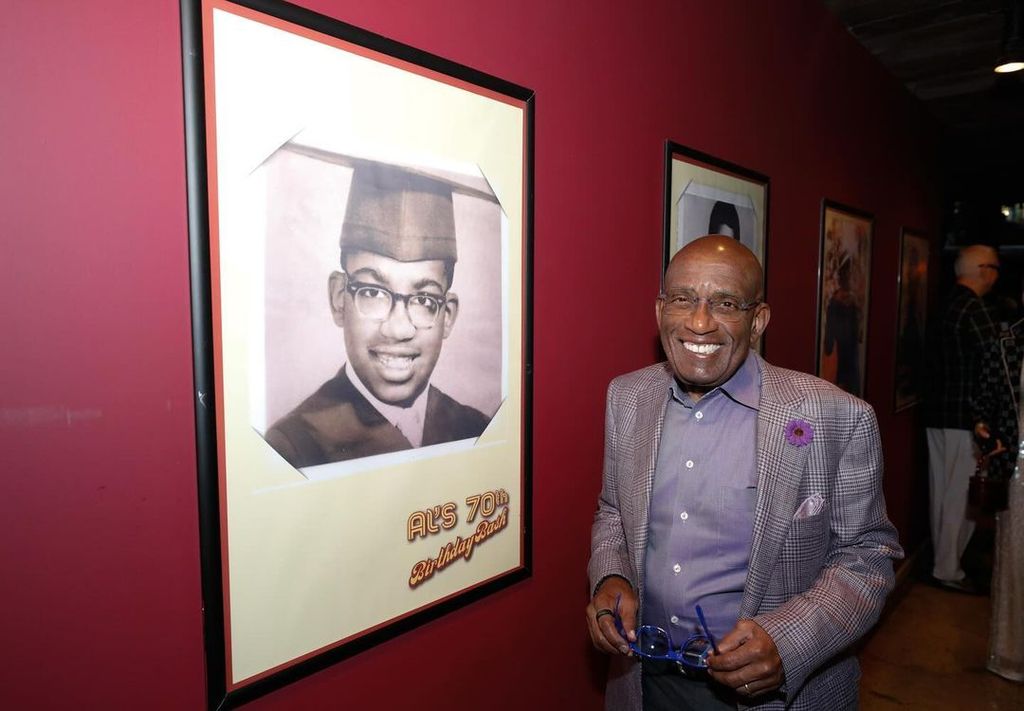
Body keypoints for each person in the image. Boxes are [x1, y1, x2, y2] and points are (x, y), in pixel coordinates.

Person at [586, 235, 903, 710]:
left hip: (771, 697)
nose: (699, 322)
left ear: (758, 321)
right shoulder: (627, 398)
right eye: (683, 299)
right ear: (659, 311)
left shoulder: (836, 415)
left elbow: (869, 556)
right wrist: (611, 575)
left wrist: (787, 642)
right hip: (644, 682)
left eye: (726, 303)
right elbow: (613, 509)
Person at [265, 161, 491, 468]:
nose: (398, 329)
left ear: (447, 315)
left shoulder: (476, 430)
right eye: (372, 293)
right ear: (338, 299)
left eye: (424, 299)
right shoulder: (291, 450)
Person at [924, 244, 1000, 592]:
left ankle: (945, 563)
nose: (996, 275)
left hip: (937, 410)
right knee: (959, 496)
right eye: (995, 267)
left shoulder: (945, 304)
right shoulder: (975, 309)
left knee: (942, 492)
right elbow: (992, 365)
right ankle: (949, 569)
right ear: (982, 270)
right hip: (966, 416)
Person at [822, 255, 862, 396]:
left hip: (851, 352)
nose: (851, 279)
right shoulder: (836, 302)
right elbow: (830, 332)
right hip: (840, 353)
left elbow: (857, 331)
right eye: (849, 275)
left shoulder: (852, 301)